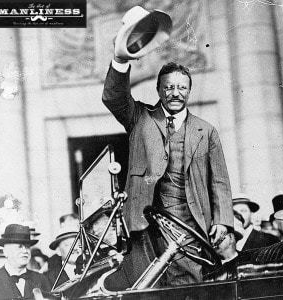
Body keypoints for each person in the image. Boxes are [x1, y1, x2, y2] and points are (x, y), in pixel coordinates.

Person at [102, 24, 233, 285]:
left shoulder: (206, 131)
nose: (175, 93)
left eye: (182, 88)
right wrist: (120, 60)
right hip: (143, 226)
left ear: (189, 91)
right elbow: (114, 97)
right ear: (159, 90)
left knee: (188, 286)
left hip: (190, 224)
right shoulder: (139, 117)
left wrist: (222, 221)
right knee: (146, 287)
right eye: (169, 87)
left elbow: (219, 181)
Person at [0, 224, 51, 299]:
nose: (25, 251)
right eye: (19, 246)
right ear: (6, 251)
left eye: (27, 247)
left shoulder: (42, 279)